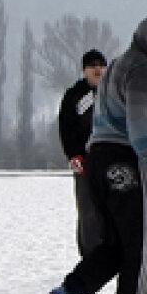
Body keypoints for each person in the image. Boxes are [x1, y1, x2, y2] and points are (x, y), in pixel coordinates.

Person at [47, 16, 147, 294]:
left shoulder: (119, 64)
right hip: (128, 160)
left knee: (115, 245)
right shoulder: (142, 71)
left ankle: (69, 292)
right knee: (139, 246)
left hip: (99, 160)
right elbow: (139, 123)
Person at [58, 49, 108, 256]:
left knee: (110, 208)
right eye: (92, 66)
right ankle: (89, 254)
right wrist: (73, 155)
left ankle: (110, 252)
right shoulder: (74, 95)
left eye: (101, 65)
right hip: (85, 160)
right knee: (88, 209)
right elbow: (66, 128)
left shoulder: (115, 92)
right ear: (84, 70)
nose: (97, 69)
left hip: (110, 158)